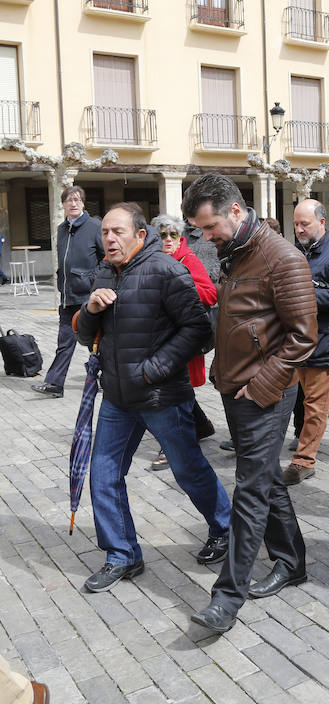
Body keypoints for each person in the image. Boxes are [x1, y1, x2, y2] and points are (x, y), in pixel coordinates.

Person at [182, 173, 317, 634]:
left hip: (266, 394)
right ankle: (291, 561)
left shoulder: (282, 257)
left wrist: (262, 385)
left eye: (210, 226)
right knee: (265, 481)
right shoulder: (234, 251)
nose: (206, 236)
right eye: (200, 229)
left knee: (251, 490)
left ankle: (226, 598)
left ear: (235, 211)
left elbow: (303, 339)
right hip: (236, 389)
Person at [74, 202, 232, 593]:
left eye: (118, 232)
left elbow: (199, 331)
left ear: (140, 235)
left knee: (189, 470)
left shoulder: (165, 269)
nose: (109, 238)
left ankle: (226, 528)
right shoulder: (103, 273)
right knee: (104, 476)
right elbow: (84, 335)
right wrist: (91, 309)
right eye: (105, 232)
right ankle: (122, 555)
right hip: (117, 399)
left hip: (162, 396)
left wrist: (153, 369)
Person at [283, 199, 329, 485]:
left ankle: (304, 461)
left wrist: (302, 294)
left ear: (322, 222)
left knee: (315, 406)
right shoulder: (295, 252)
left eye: (305, 224)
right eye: (296, 224)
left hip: (326, 342)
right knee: (326, 401)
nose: (300, 229)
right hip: (297, 342)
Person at [149, 214, 218, 471]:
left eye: (173, 235)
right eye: (162, 234)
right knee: (174, 389)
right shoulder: (151, 260)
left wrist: (181, 284)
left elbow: (210, 293)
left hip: (183, 339)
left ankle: (172, 445)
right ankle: (201, 425)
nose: (168, 239)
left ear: (181, 238)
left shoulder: (189, 260)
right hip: (157, 339)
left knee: (171, 392)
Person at [31, 185, 104, 398]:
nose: (73, 203)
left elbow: (106, 258)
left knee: (96, 342)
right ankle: (54, 384)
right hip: (67, 296)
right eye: (69, 200)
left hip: (87, 296)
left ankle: (107, 379)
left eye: (77, 199)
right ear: (63, 204)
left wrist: (90, 278)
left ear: (83, 203)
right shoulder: (62, 229)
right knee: (64, 342)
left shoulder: (94, 226)